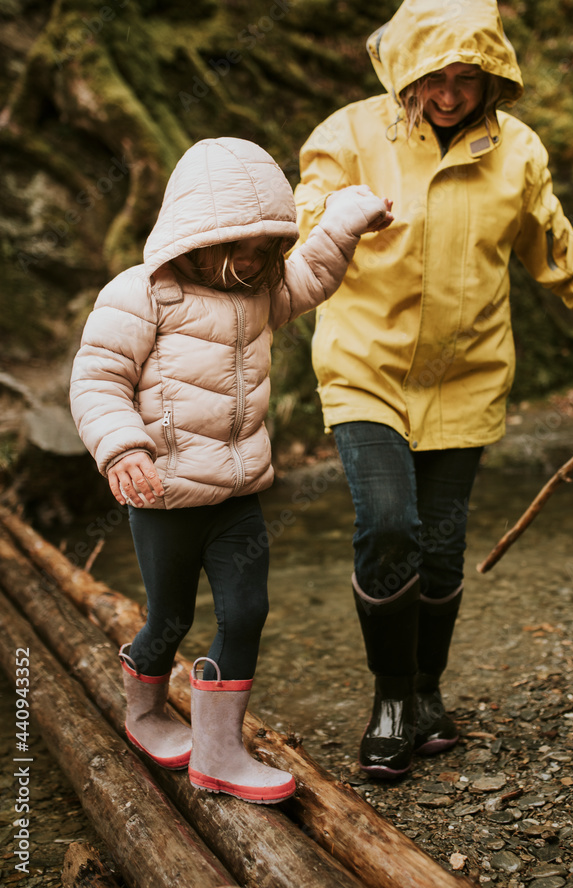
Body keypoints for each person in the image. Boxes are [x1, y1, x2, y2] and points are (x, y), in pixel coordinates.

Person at [294, 0, 573, 780]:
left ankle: (428, 692)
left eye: (465, 79)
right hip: (367, 367)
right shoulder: (350, 134)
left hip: (466, 375)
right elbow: (303, 221)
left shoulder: (517, 151)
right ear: (407, 69)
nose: (446, 93)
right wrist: (341, 216)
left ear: (493, 77)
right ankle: (392, 698)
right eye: (432, 76)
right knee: (388, 526)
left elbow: (558, 249)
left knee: (441, 547)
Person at [70, 137, 391, 802]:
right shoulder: (144, 294)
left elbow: (311, 277)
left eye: (264, 246)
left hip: (239, 492)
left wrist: (342, 223)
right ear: (195, 233)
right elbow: (97, 378)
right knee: (170, 619)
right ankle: (144, 709)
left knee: (246, 611)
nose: (251, 261)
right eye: (236, 246)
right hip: (162, 495)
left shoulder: (261, 290)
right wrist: (124, 447)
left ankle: (219, 753)